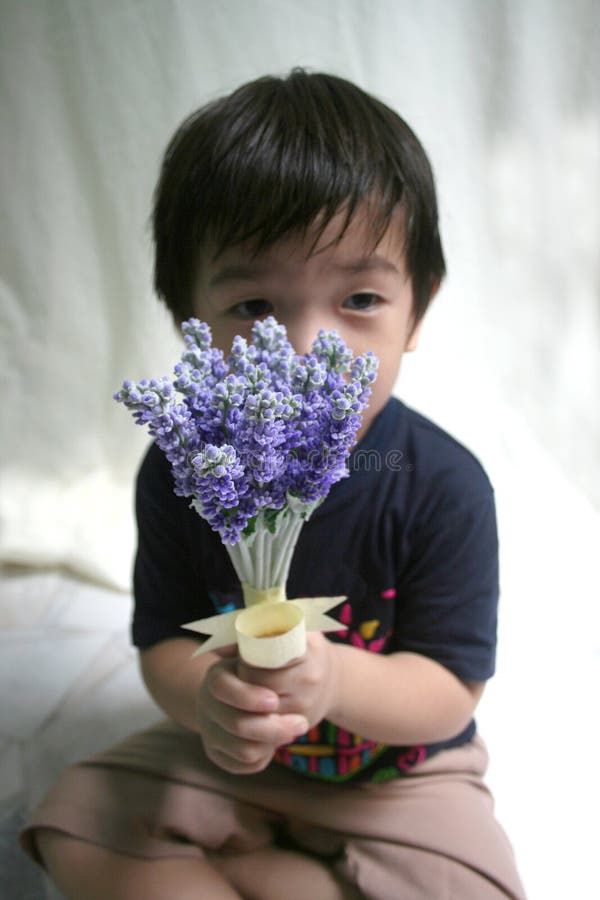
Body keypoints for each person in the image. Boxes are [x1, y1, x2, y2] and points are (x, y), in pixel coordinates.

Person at [20, 69, 526, 899]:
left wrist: (333, 680)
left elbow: (446, 694)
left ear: (418, 310)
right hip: (234, 763)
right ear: (190, 320)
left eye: (360, 297)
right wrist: (209, 705)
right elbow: (166, 648)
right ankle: (286, 873)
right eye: (255, 304)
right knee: (73, 823)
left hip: (398, 773)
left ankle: (273, 873)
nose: (305, 347)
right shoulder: (186, 466)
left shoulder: (441, 484)